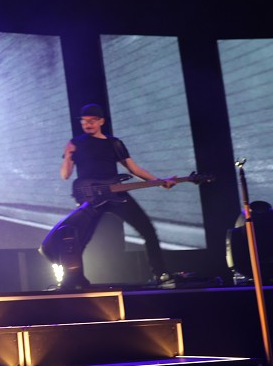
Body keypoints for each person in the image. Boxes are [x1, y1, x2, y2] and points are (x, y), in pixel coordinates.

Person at [40, 103, 173, 290]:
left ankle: (160, 274)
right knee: (80, 239)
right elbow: (65, 175)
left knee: (148, 230)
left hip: (116, 193)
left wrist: (159, 181)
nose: (87, 124)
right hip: (91, 196)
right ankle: (73, 279)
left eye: (92, 121)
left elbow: (133, 169)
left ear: (101, 121)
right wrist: (69, 154)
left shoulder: (114, 143)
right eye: (84, 121)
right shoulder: (75, 143)